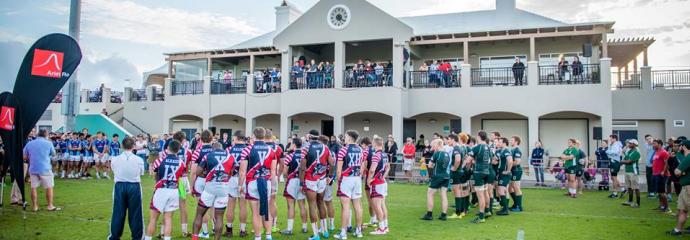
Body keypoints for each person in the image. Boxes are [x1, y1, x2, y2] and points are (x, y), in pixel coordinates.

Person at [239, 127, 277, 240]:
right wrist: (274, 186)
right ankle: (269, 235)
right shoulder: (271, 150)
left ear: (253, 136)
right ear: (264, 136)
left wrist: (240, 185)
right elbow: (273, 171)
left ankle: (258, 237)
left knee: (255, 212)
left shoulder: (247, 149)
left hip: (252, 182)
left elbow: (242, 171)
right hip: (266, 182)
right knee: (266, 210)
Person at [192, 142, 234, 240]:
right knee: (219, 217)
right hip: (223, 188)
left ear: (213, 149)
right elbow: (231, 172)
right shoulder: (229, 156)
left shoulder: (208, 155)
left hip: (209, 188)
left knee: (199, 214)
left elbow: (197, 172)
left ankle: (195, 238)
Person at [145, 140, 185, 240]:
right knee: (168, 218)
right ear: (178, 150)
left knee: (153, 218)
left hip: (161, 190)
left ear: (167, 149)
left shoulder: (159, 160)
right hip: (174, 191)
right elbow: (181, 177)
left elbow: (154, 174)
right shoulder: (181, 163)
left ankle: (148, 238)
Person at [109, 137, 145, 240]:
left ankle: (115, 236)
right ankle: (137, 237)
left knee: (118, 212)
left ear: (121, 146)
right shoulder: (139, 160)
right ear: (133, 146)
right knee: (136, 213)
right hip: (133, 186)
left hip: (120, 185)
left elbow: (114, 170)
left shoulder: (115, 159)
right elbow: (141, 173)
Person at [334, 130, 367, 239]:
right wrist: (359, 176)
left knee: (345, 206)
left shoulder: (343, 150)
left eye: (346, 136)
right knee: (358, 206)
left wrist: (339, 181)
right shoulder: (361, 150)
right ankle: (358, 231)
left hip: (346, 179)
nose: (344, 138)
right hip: (357, 178)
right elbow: (363, 165)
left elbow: (338, 170)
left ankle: (343, 233)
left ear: (349, 138)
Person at [300, 130, 332, 240]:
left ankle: (316, 234)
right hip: (322, 178)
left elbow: (302, 167)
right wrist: (330, 176)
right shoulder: (325, 147)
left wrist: (301, 182)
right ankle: (325, 231)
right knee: (321, 203)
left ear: (309, 136)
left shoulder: (306, 148)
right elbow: (332, 163)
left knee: (312, 205)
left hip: (310, 179)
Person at [22, 129, 60, 212]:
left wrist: (32, 158)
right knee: (49, 187)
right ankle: (50, 205)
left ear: (38, 134)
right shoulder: (48, 143)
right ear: (46, 135)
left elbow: (24, 156)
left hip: (33, 168)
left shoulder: (30, 143)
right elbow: (53, 154)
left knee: (33, 187)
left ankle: (35, 207)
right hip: (45, 168)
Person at [280, 138, 308, 236]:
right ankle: (304, 227)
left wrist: (285, 177)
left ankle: (289, 229)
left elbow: (284, 171)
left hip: (292, 181)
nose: (290, 145)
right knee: (302, 205)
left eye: (291, 143)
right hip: (302, 181)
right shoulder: (305, 155)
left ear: (294, 145)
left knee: (291, 206)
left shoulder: (290, 156)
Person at [225, 131, 250, 237]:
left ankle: (229, 230)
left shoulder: (229, 149)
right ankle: (242, 230)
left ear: (236, 138)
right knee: (243, 205)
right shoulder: (249, 149)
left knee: (230, 204)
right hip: (244, 178)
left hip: (232, 178)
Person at [465, 131, 493, 223]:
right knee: (485, 192)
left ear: (479, 137)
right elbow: (491, 159)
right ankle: (487, 211)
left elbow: (469, 160)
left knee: (480, 195)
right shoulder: (488, 147)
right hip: (486, 171)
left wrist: (468, 165)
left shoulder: (477, 147)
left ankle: (481, 216)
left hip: (478, 172)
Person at [421, 139, 450, 221]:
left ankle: (429, 214)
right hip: (446, 176)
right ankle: (444, 215)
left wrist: (433, 165)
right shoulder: (447, 154)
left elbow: (430, 165)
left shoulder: (437, 153)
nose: (432, 147)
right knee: (444, 195)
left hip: (438, 176)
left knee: (430, 193)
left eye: (433, 145)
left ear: (438, 145)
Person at [367, 136, 390, 235]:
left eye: (372, 143)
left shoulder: (376, 155)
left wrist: (368, 180)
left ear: (375, 144)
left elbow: (372, 170)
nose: (372, 144)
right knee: (382, 205)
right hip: (382, 182)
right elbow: (388, 167)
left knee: (377, 206)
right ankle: (385, 226)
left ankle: (381, 229)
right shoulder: (385, 154)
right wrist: (383, 176)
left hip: (377, 183)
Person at [669, 139, 690, 236]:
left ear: (684, 147)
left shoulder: (688, 157)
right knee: (682, 209)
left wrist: (680, 172)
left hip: (688, 187)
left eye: (680, 146)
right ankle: (677, 230)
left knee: (683, 209)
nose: (678, 147)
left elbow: (677, 171)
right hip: (684, 187)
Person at [447, 134, 469, 219]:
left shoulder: (456, 148)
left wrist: (454, 169)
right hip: (460, 172)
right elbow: (465, 159)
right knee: (460, 191)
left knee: (456, 191)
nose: (448, 141)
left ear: (453, 140)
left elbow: (458, 159)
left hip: (456, 173)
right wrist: (461, 168)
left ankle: (457, 213)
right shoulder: (460, 148)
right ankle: (462, 211)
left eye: (449, 139)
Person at [494, 138, 513, 216]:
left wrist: (508, 170)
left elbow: (510, 161)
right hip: (500, 173)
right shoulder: (500, 151)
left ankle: (505, 210)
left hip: (505, 174)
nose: (498, 143)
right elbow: (495, 160)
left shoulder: (506, 151)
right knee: (501, 190)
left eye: (500, 142)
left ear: (504, 143)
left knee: (501, 190)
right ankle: (504, 208)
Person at [651, 138, 671, 213]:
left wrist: (663, 171)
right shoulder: (656, 152)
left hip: (661, 175)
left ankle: (667, 208)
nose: (653, 145)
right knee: (659, 192)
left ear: (659, 144)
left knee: (662, 192)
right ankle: (661, 206)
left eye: (654, 144)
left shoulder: (664, 152)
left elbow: (667, 163)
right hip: (655, 174)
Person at [621, 139, 641, 208]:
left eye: (630, 143)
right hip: (627, 171)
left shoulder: (637, 152)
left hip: (633, 172)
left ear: (634, 144)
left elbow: (629, 161)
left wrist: (621, 162)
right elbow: (625, 159)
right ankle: (630, 201)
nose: (629, 144)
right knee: (629, 187)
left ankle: (638, 203)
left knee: (636, 188)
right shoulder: (629, 151)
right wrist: (623, 161)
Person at [509, 136, 524, 212]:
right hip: (513, 171)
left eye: (512, 140)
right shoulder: (512, 150)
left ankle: (519, 207)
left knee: (516, 188)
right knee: (510, 189)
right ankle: (516, 204)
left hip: (516, 171)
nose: (510, 141)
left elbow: (517, 161)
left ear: (516, 142)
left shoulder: (517, 150)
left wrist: (509, 164)